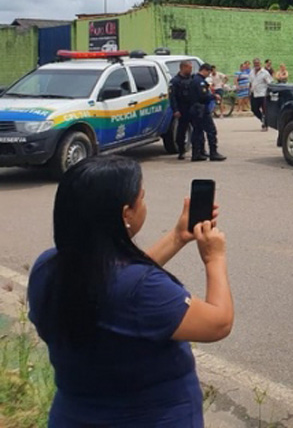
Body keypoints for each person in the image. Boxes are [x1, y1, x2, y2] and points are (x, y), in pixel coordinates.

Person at [27, 156, 233, 427]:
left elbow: (115, 280)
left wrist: (177, 237)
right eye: (142, 198)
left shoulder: (48, 267)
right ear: (126, 214)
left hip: (73, 415)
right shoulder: (143, 289)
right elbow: (218, 323)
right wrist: (214, 259)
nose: (144, 204)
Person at [188, 64, 225, 161]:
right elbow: (203, 96)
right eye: (208, 72)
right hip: (201, 109)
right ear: (204, 70)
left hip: (195, 109)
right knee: (211, 130)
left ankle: (197, 153)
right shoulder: (199, 81)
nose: (208, 75)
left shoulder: (194, 79)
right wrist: (214, 96)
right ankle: (213, 153)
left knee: (198, 131)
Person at [168, 61, 194, 160]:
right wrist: (175, 110)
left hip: (192, 108)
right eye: (189, 68)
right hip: (182, 109)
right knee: (181, 131)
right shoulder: (175, 81)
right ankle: (181, 151)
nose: (191, 70)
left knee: (197, 130)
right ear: (183, 68)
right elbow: (172, 97)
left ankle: (199, 150)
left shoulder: (192, 79)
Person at [249, 58, 273, 132]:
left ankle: (265, 124)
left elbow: (270, 83)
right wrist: (249, 92)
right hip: (254, 93)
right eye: (255, 63)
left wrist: (269, 93)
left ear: (260, 64)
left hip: (263, 94)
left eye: (258, 63)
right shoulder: (251, 72)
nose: (256, 64)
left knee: (264, 110)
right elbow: (250, 83)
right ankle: (262, 119)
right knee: (254, 109)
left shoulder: (264, 73)